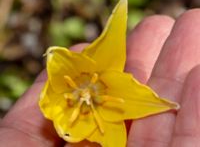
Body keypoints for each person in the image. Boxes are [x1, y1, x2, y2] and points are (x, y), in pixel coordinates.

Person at [1, 9, 200, 147]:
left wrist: (162, 104)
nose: (86, 95)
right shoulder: (51, 103)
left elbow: (59, 57)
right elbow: (58, 61)